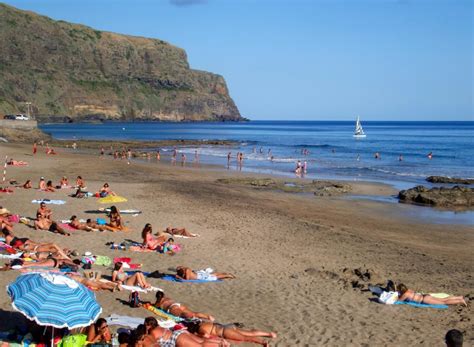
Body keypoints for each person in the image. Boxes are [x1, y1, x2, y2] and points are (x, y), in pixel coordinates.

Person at [185, 320, 277, 346]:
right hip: (227, 326)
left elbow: (206, 335)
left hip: (225, 332)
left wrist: (198, 336)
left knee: (244, 338)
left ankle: (263, 342)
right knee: (249, 333)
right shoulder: (204, 323)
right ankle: (269, 334)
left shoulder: (201, 329)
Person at [143, 319, 229, 347]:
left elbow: (152, 343)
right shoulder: (159, 327)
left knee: (200, 346)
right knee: (202, 341)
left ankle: (220, 344)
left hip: (176, 338)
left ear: (148, 325)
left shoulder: (153, 333)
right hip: (180, 333)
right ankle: (221, 342)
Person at [397, 284, 467, 306]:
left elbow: (398, 301)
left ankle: (460, 301)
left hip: (424, 300)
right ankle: (459, 297)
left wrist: (397, 295)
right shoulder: (409, 290)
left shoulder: (405, 294)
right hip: (425, 296)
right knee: (443, 299)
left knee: (443, 302)